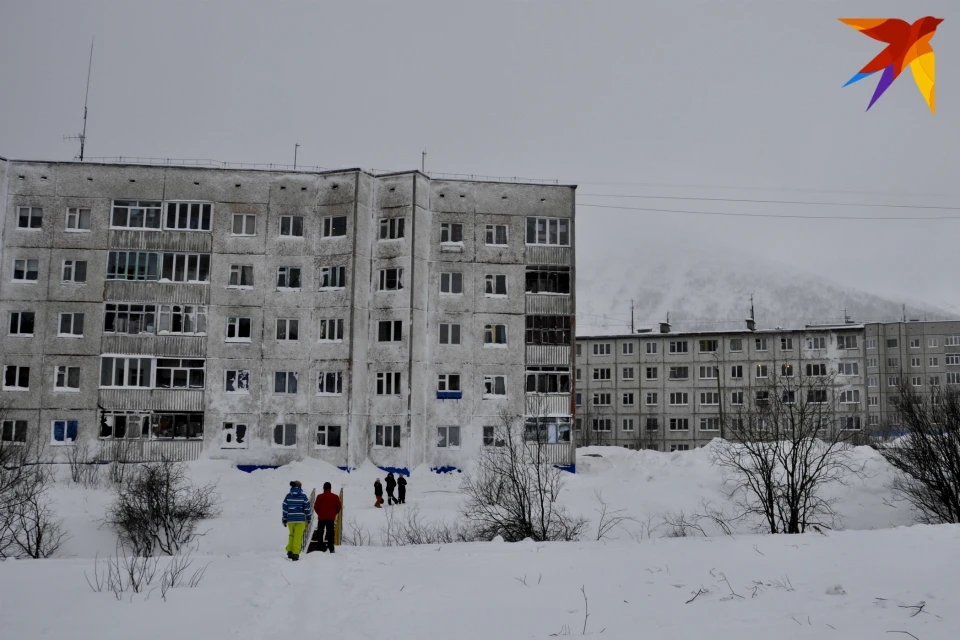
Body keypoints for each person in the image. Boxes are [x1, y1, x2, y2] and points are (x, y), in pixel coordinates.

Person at [282, 480, 312, 561]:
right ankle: (295, 553)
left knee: (291, 535)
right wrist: (309, 518)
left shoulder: (288, 496)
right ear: (300, 487)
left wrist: (284, 519)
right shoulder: (303, 496)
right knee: (298, 536)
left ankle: (289, 551)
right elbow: (307, 509)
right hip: (300, 520)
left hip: (290, 519)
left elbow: (285, 508)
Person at [313, 481, 341, 553]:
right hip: (331, 518)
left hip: (321, 518)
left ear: (324, 488)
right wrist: (334, 513)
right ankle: (331, 548)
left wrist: (319, 513)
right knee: (330, 533)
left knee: (320, 532)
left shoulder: (319, 496)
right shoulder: (335, 497)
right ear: (330, 488)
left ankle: (321, 547)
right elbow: (339, 507)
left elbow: (316, 507)